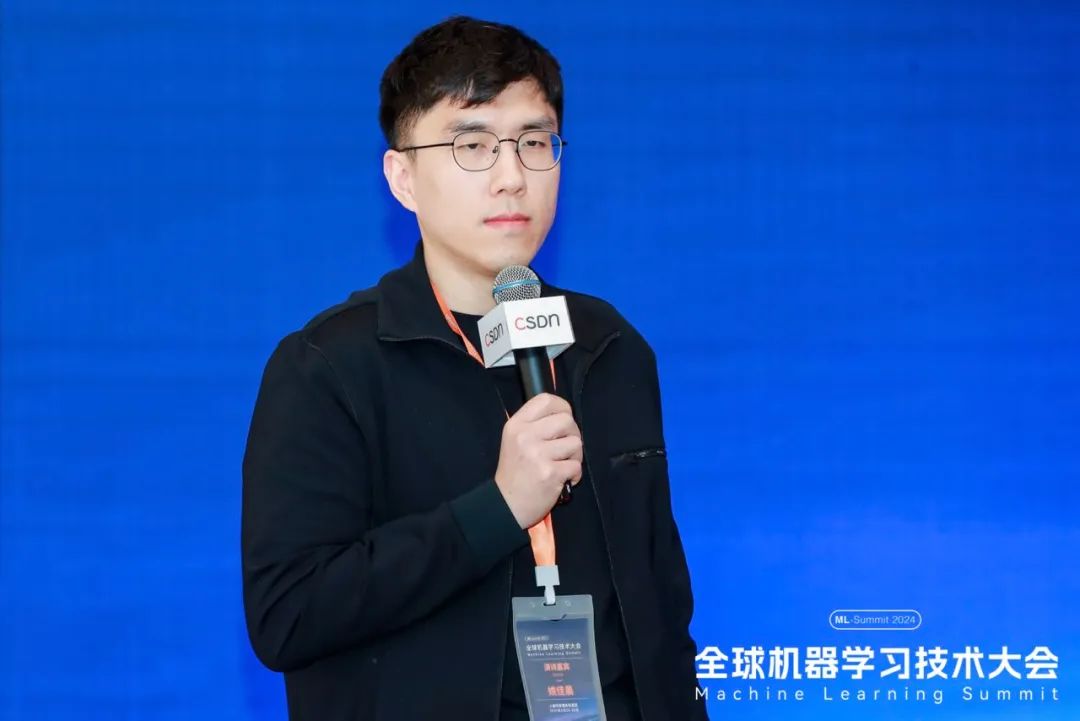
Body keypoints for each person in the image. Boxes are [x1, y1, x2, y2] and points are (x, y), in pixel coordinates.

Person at [241, 16, 707, 721]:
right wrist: (498, 508)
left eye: (534, 142)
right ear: (402, 178)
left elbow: (663, 614)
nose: (511, 177)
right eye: (473, 145)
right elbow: (289, 613)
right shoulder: (328, 367)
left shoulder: (609, 348)